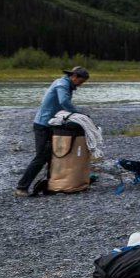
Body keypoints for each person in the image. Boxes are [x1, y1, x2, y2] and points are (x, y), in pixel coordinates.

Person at [14, 66, 90, 196]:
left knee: (53, 155)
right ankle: (21, 187)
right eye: (81, 81)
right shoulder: (62, 84)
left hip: (52, 124)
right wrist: (78, 113)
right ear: (74, 76)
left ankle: (52, 185)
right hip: (42, 125)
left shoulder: (66, 85)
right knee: (41, 157)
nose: (81, 84)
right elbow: (64, 101)